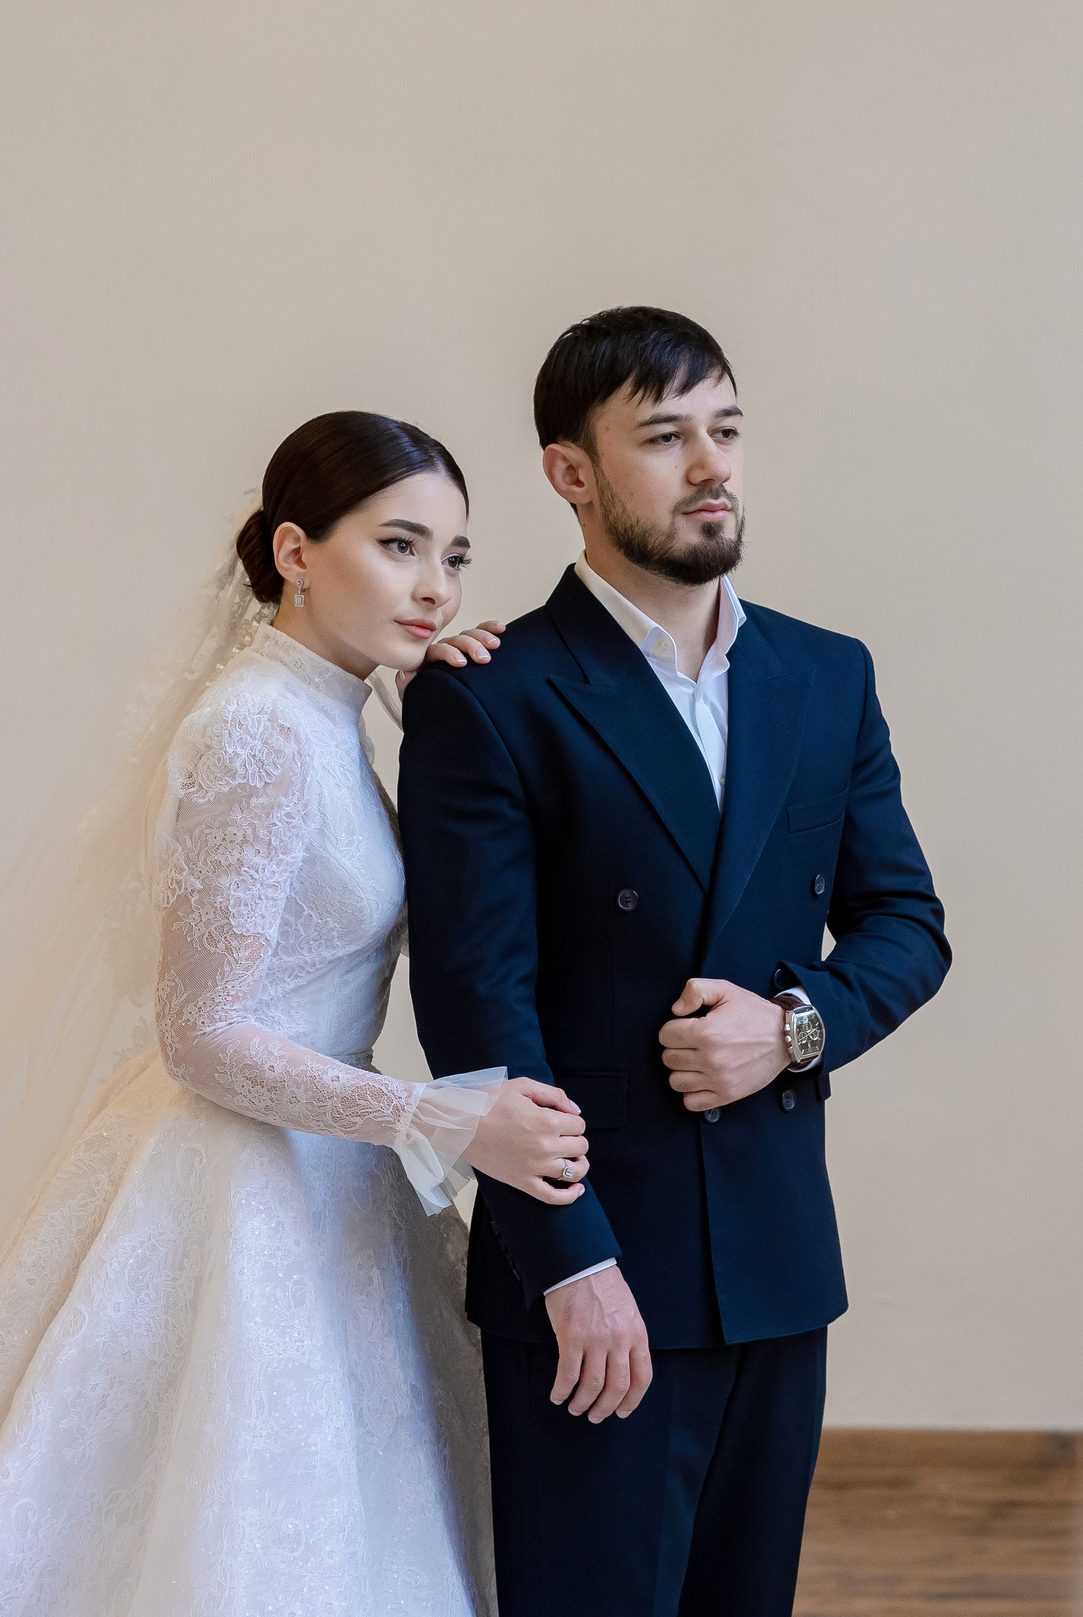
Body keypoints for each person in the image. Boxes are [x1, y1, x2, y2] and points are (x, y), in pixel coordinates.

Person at [0, 412, 585, 1615]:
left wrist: (410, 689)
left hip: (316, 1167)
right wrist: (448, 1120)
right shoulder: (257, 733)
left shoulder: (324, 713)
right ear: (295, 550)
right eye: (398, 546)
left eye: (453, 555)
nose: (435, 586)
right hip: (230, 1176)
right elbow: (201, 1036)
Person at [400, 306, 950, 1617]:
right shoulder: (492, 693)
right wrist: (573, 1263)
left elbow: (908, 923)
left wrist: (794, 1024)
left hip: (778, 1256)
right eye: (663, 435)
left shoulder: (824, 675)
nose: (710, 464)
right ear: (570, 473)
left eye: (726, 428)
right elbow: (482, 1007)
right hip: (597, 1268)